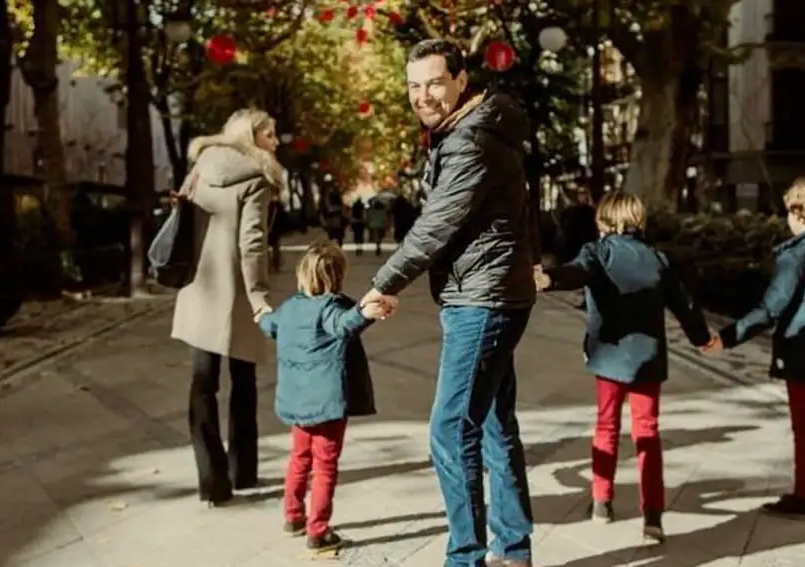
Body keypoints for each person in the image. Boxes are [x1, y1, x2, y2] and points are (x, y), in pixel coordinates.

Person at [360, 39, 541, 567]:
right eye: (414, 86)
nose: (423, 95)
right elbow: (521, 212)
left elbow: (436, 224)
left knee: (449, 428)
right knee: (492, 422)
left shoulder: (471, 141)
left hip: (482, 299)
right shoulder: (483, 130)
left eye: (435, 82)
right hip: (495, 291)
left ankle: (466, 557)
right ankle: (514, 549)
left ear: (463, 79)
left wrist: (385, 282)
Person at [536, 191, 717, 544]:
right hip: (647, 360)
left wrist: (549, 279)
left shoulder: (598, 252)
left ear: (606, 220)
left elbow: (576, 272)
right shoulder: (657, 258)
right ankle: (652, 516)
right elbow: (685, 305)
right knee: (647, 432)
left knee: (606, 426)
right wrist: (701, 339)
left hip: (608, 358)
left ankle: (602, 501)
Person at [704, 177, 805, 520]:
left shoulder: (798, 254)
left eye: (790, 210)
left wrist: (727, 337)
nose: (787, 218)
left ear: (801, 212)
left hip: (804, 345)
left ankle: (804, 497)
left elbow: (771, 307)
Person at [171, 108, 283, 506]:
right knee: (243, 382)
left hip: (199, 287)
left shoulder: (201, 165)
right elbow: (252, 244)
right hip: (235, 290)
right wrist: (258, 297)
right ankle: (243, 472)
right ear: (252, 136)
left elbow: (183, 215)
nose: (277, 141)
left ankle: (211, 482)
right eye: (270, 134)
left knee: (202, 384)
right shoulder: (257, 177)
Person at [257, 241, 384, 550]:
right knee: (325, 465)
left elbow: (269, 325)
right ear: (338, 276)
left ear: (302, 275)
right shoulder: (331, 309)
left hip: (297, 404)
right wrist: (366, 312)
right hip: (327, 407)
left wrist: (261, 316)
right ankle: (318, 529)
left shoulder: (289, 307)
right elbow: (344, 326)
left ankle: (293, 514)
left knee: (299, 458)